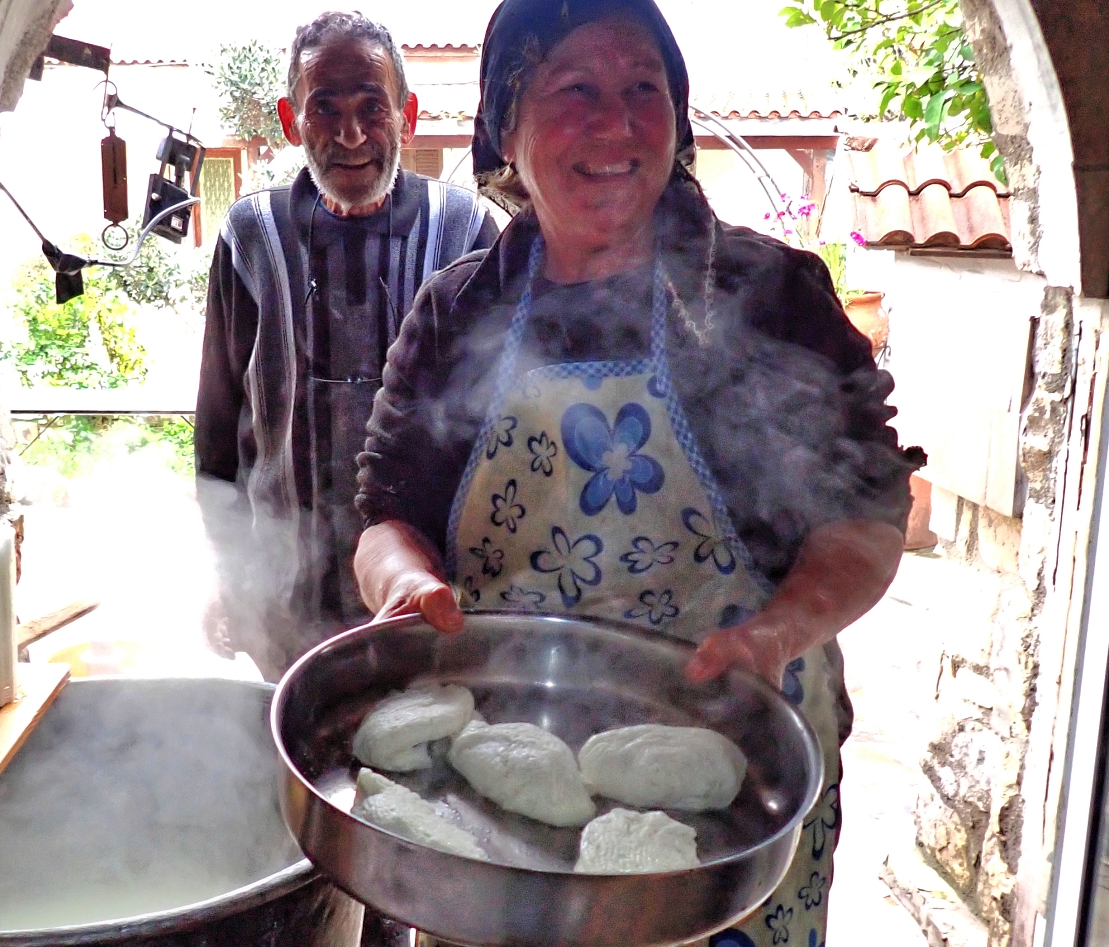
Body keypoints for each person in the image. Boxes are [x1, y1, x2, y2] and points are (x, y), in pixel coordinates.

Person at [354, 0, 924, 942]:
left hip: (737, 768)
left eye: (643, 90)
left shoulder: (769, 295)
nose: (616, 123)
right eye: (576, 88)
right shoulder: (457, 312)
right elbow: (386, 511)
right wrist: (406, 585)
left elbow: (866, 512)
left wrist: (781, 628)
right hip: (509, 765)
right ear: (506, 121)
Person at [195, 10, 500, 679]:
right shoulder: (252, 237)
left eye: (372, 106)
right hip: (288, 607)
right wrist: (234, 575)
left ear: (407, 114)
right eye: (324, 108)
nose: (351, 133)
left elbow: (505, 423)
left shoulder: (467, 232)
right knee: (302, 769)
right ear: (289, 118)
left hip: (434, 602)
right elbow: (219, 434)